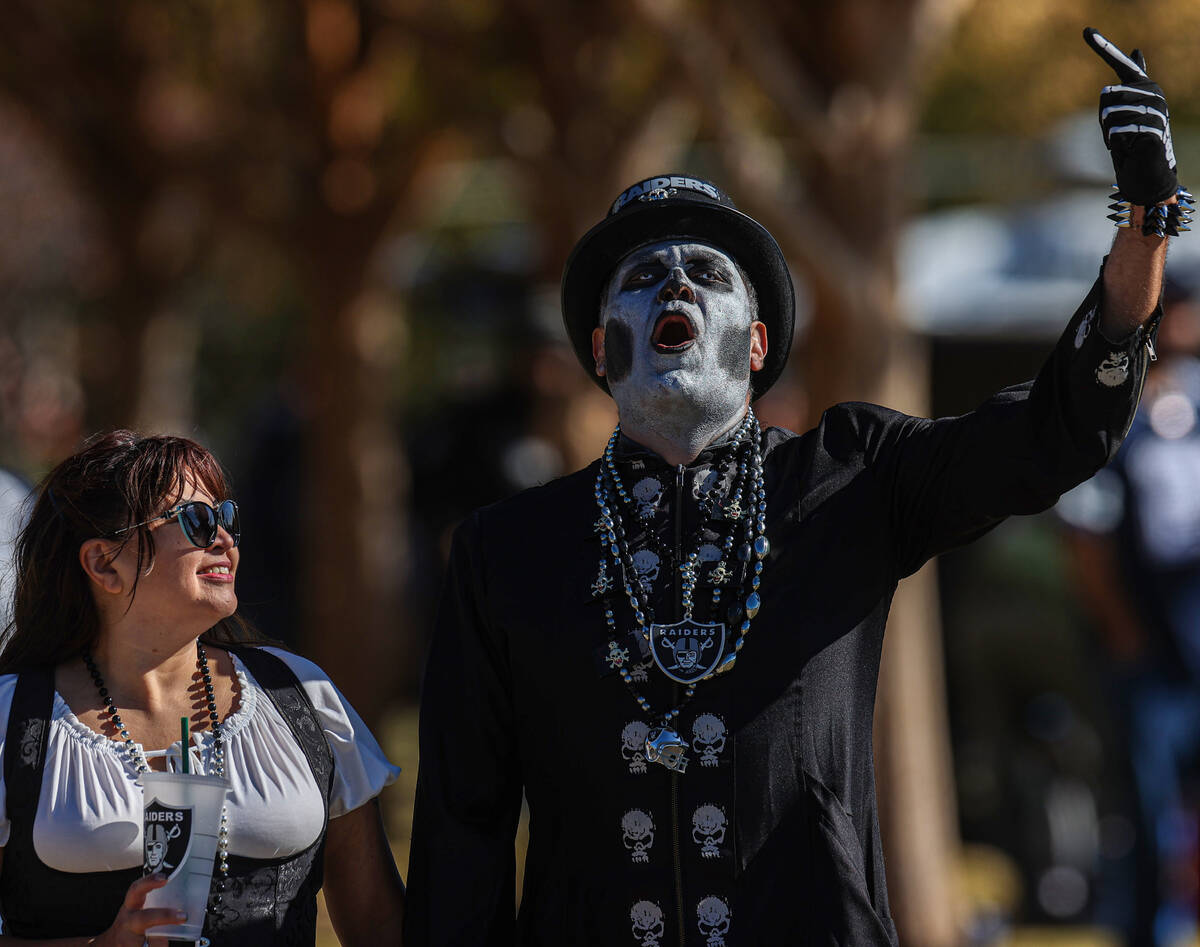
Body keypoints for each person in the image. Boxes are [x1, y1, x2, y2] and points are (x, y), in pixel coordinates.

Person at [405, 29, 1188, 946]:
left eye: (706, 273)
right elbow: (462, 834)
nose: (676, 290)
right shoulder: (510, 550)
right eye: (643, 278)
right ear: (599, 350)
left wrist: (1144, 221)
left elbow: (1053, 433)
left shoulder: (851, 477)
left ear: (758, 344)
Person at [0, 431, 405, 946]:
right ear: (104, 563)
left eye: (226, 517)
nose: (224, 539)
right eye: (195, 521)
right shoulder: (13, 720)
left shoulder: (300, 695)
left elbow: (380, 925)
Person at [1059, 271, 1200, 946]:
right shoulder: (1118, 412)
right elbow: (1085, 536)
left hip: (1194, 633)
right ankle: (1150, 928)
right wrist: (1122, 635)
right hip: (1148, 649)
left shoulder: (1196, 406)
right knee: (1148, 807)